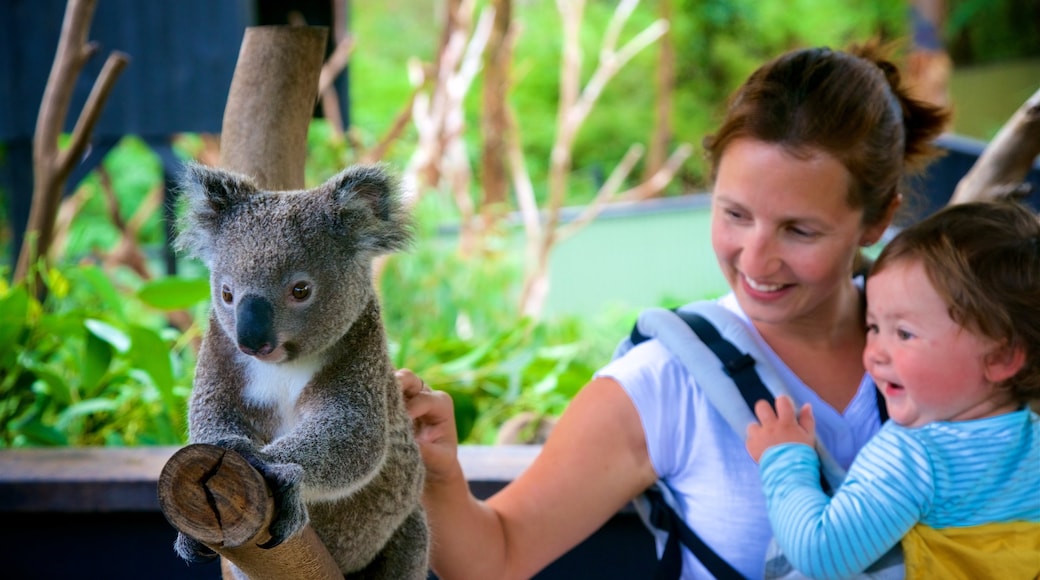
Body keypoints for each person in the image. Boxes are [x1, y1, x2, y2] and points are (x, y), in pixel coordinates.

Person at [399, 39, 950, 579]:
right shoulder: (668, 381)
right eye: (735, 214)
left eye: (799, 230)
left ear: (878, 221)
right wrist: (441, 476)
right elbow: (497, 557)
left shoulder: (958, 351)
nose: (756, 259)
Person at [745, 200, 1040, 580]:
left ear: (1000, 359)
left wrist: (784, 461)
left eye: (904, 333)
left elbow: (820, 554)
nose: (876, 353)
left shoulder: (914, 457)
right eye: (873, 327)